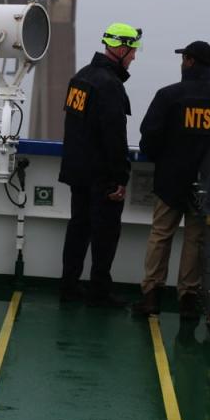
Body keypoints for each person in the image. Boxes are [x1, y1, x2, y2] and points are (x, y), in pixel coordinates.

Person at [132, 41, 210, 318]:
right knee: (195, 239)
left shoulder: (169, 96)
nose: (181, 62)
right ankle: (187, 299)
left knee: (161, 235)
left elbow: (149, 135)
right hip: (208, 183)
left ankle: (151, 296)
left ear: (191, 62)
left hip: (170, 179)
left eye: (183, 58)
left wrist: (162, 156)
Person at [58, 22, 141, 307]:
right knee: (105, 234)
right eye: (132, 51)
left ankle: (69, 287)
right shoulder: (109, 85)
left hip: (77, 170)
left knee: (78, 228)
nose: (133, 57)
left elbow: (73, 126)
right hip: (100, 174)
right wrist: (120, 177)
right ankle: (99, 292)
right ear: (119, 48)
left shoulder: (81, 77)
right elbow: (114, 136)